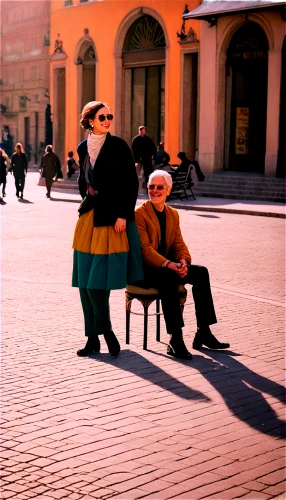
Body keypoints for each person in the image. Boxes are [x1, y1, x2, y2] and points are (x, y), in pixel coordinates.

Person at [72, 101, 143, 357]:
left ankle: (108, 332)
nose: (107, 120)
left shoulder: (119, 146)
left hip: (111, 221)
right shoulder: (83, 147)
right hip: (88, 219)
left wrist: (124, 214)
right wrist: (86, 193)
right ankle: (92, 339)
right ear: (90, 120)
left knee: (96, 283)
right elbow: (83, 178)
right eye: (102, 116)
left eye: (109, 116)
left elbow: (130, 184)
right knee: (83, 283)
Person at [135, 170, 230, 360]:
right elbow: (145, 250)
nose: (155, 190)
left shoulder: (173, 214)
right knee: (169, 277)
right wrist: (169, 264)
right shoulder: (140, 214)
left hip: (169, 267)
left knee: (201, 273)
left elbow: (179, 244)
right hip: (145, 270)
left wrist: (184, 262)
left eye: (159, 187)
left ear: (168, 190)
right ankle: (175, 339)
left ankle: (203, 332)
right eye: (151, 187)